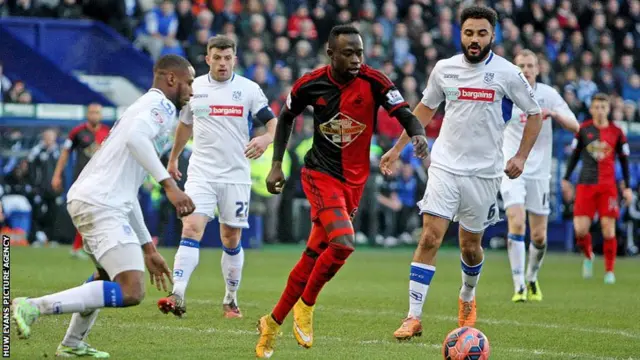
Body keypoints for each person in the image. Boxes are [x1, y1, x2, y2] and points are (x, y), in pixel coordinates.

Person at [255, 25, 428, 358]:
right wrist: (277, 163)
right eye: (348, 53)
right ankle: (306, 305)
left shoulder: (374, 81)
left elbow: (405, 112)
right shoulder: (310, 83)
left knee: (312, 256)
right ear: (330, 53)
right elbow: (286, 117)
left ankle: (272, 323)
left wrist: (417, 134)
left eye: (359, 52)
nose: (355, 59)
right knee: (344, 243)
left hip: (354, 185)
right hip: (320, 176)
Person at [11, 54, 196, 358]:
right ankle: (32, 306)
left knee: (106, 278)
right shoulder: (159, 106)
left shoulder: (147, 108)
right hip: (100, 203)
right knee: (131, 290)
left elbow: (128, 193)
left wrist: (148, 248)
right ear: (171, 79)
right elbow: (137, 139)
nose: (191, 89)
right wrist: (170, 186)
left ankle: (71, 344)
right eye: (188, 81)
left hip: (97, 199)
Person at [379, 5, 542, 341]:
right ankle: (413, 316)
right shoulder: (444, 69)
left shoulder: (509, 73)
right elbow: (423, 109)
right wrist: (397, 149)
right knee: (429, 237)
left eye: (482, 33)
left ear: (492, 35)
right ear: (461, 34)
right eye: (469, 32)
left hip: (484, 174)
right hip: (445, 166)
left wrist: (522, 157)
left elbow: (535, 114)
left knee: (470, 247)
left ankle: (467, 297)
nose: (474, 39)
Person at [157, 35, 277, 319]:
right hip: (201, 173)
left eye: (227, 58)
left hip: (235, 175)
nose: (222, 63)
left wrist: (266, 138)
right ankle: (178, 294)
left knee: (231, 237)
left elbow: (273, 122)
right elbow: (185, 125)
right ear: (207, 58)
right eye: (217, 57)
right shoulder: (194, 87)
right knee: (191, 228)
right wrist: (173, 159)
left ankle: (230, 300)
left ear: (234, 59)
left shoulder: (248, 90)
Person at [501, 49, 579, 302]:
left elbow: (576, 126)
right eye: (521, 65)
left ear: (538, 69)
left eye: (530, 65)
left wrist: (554, 115)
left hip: (540, 173)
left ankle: (532, 277)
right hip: (512, 169)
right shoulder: (505, 94)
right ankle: (518, 285)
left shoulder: (548, 95)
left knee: (539, 236)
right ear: (515, 68)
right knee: (516, 221)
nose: (525, 69)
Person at [562, 93, 633, 285]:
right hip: (585, 184)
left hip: (608, 186)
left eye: (603, 107)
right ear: (592, 109)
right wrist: (566, 179)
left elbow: (625, 161)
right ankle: (588, 256)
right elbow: (574, 156)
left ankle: (609, 271)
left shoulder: (617, 132)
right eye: (597, 107)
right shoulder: (583, 130)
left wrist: (627, 187)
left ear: (608, 109)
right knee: (580, 230)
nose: (600, 110)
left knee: (608, 230)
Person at [51, 102, 110, 258]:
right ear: (87, 114)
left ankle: (87, 246)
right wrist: (57, 175)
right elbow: (65, 153)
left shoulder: (107, 132)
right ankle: (78, 247)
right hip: (82, 178)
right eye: (91, 112)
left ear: (101, 115)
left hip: (101, 179)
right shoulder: (77, 132)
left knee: (98, 211)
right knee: (83, 211)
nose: (94, 115)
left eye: (97, 112)